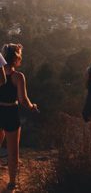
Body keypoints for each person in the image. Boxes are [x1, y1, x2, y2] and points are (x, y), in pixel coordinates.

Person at [0, 44, 38, 191]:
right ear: (16, 59)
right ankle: (11, 182)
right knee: (12, 151)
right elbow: (23, 100)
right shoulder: (18, 77)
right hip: (10, 112)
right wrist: (32, 106)